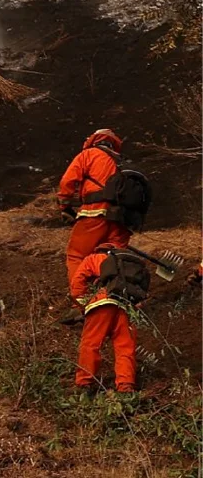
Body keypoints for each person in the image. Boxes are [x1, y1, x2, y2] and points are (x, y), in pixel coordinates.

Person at [70, 245, 150, 396]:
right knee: (125, 348)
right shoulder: (133, 265)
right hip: (127, 307)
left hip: (102, 303)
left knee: (91, 344)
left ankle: (84, 383)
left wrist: (80, 304)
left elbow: (78, 280)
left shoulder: (95, 258)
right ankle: (125, 386)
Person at [58, 129, 131, 290]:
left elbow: (67, 182)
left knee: (77, 255)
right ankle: (115, 295)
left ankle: (82, 298)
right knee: (111, 258)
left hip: (95, 213)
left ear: (93, 141)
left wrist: (65, 207)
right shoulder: (122, 162)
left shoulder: (89, 154)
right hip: (122, 220)